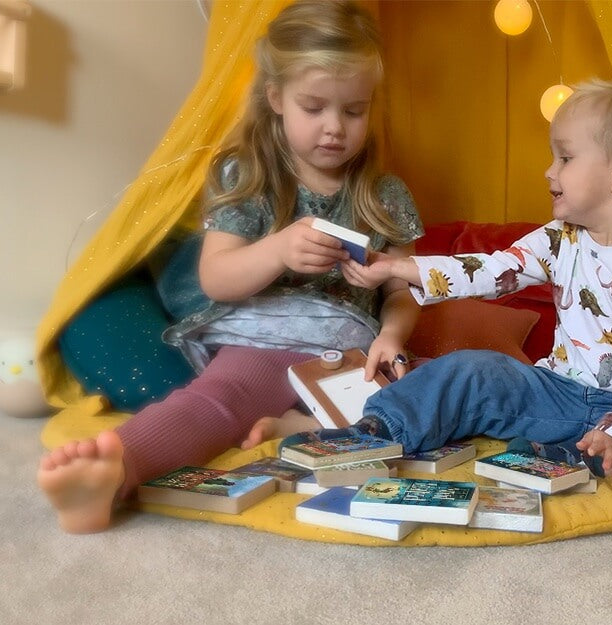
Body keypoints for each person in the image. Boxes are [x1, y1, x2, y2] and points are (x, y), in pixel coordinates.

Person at [37, 0, 424, 533]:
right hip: (267, 339)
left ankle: (297, 428)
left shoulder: (384, 194)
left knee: (427, 404)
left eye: (353, 111)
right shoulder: (248, 176)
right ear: (276, 99)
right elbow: (216, 277)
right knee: (218, 404)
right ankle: (114, 470)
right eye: (314, 107)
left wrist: (394, 336)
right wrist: (278, 251)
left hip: (353, 351)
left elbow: (404, 290)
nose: (335, 128)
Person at [304, 76, 612, 484]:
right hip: (555, 393)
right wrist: (397, 267)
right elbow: (488, 271)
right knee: (471, 369)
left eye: (565, 158)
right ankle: (376, 432)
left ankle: (570, 455)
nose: (550, 171)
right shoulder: (559, 239)